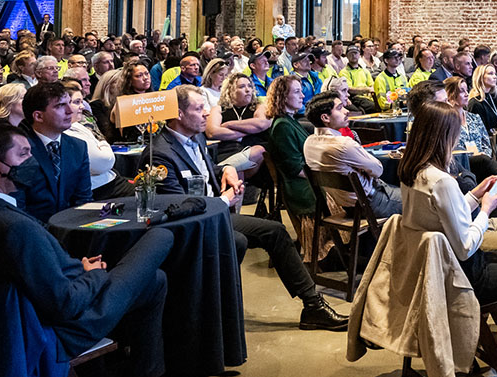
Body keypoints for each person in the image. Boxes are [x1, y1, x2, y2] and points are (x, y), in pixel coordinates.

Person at [0, 123, 197, 377]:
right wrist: (92, 275)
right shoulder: (14, 227)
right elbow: (66, 305)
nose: (31, 161)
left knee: (154, 280)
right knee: (160, 236)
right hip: (57, 330)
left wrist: (78, 272)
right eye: (24, 154)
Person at [147, 85, 347, 330]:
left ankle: (313, 306)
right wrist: (224, 200)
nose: (207, 115)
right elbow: (176, 208)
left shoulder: (195, 136)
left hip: (214, 213)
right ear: (178, 114)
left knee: (275, 232)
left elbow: (204, 173)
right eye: (199, 109)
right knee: (239, 240)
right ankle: (218, 312)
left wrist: (227, 168)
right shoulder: (159, 154)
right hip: (196, 224)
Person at [399, 91, 497, 377]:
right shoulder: (441, 181)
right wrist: (486, 208)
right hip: (464, 274)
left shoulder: (413, 170)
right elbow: (466, 246)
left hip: (437, 269)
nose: (457, 140)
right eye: (454, 134)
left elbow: (443, 217)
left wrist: (473, 194)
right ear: (442, 136)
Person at [303, 90, 402, 219]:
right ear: (325, 118)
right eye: (339, 108)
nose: (346, 111)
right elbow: (378, 170)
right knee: (420, 198)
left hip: (348, 206)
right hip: (371, 204)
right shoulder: (344, 144)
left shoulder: (309, 143)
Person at [444, 76, 497, 207]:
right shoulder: (446, 120)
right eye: (462, 91)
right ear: (451, 95)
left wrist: (483, 154)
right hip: (461, 162)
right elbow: (448, 148)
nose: (467, 94)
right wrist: (477, 156)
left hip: (481, 160)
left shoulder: (474, 118)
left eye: (466, 90)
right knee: (484, 162)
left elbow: (486, 141)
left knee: (486, 162)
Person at [12, 81, 92, 222]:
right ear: (38, 116)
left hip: (70, 230)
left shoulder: (78, 147)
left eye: (69, 103)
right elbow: (17, 207)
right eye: (60, 106)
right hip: (32, 232)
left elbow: (83, 200)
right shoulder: (17, 150)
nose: (70, 111)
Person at [265, 76, 317, 250]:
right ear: (282, 97)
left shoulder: (290, 121)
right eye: (296, 91)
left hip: (306, 181)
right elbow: (295, 168)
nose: (302, 95)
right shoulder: (282, 126)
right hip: (300, 187)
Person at [61, 77, 134, 201]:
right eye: (76, 102)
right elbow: (104, 161)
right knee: (151, 192)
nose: (82, 107)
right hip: (101, 188)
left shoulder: (78, 125)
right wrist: (102, 143)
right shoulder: (69, 132)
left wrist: (101, 145)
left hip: (111, 178)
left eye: (82, 102)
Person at [206, 72, 269, 180]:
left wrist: (229, 125)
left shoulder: (259, 106)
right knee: (239, 171)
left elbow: (262, 124)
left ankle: (219, 171)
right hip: (227, 151)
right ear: (230, 91)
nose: (248, 90)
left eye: (249, 86)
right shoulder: (219, 109)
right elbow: (212, 132)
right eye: (242, 87)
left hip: (254, 153)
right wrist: (251, 129)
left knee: (259, 150)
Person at [340, 46, 378, 113]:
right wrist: (367, 90)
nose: (353, 55)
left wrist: (370, 90)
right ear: (347, 56)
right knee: (374, 107)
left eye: (355, 53)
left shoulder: (365, 71)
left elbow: (372, 85)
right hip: (355, 98)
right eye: (350, 54)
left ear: (359, 55)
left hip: (368, 97)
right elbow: (349, 89)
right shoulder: (344, 72)